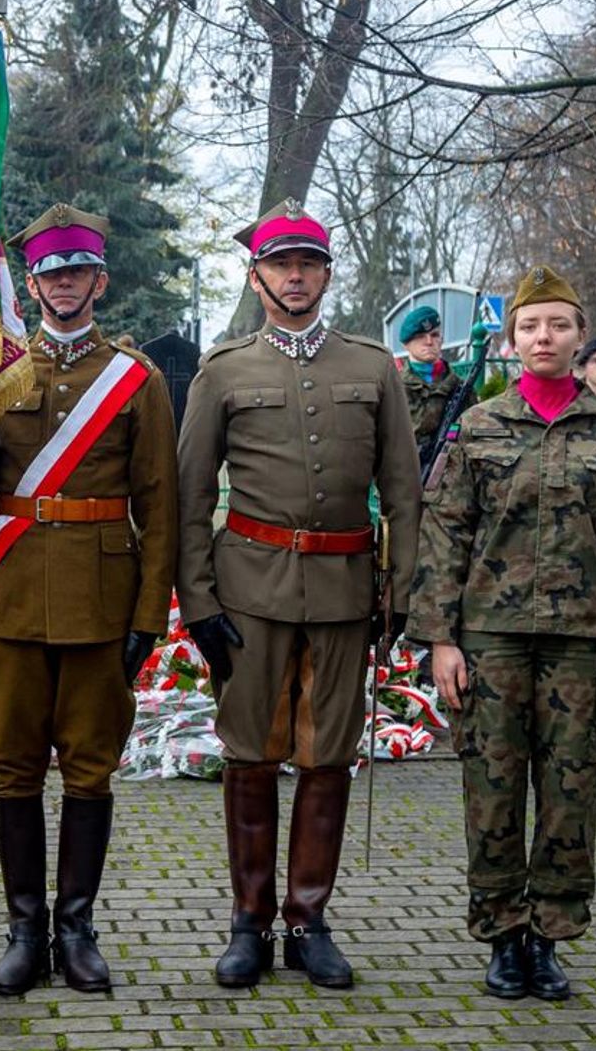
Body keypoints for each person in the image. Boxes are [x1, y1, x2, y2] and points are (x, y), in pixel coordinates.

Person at [176, 199, 420, 991]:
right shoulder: (224, 369)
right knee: (250, 756)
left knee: (328, 757)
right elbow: (188, 494)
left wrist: (403, 592)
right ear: (256, 275)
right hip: (250, 590)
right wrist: (200, 599)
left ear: (326, 274)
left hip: (348, 590)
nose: (294, 277)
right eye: (280, 264)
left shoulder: (371, 366)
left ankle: (307, 920)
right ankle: (249, 921)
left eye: (307, 264)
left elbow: (404, 490)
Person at [407, 267, 596, 1002]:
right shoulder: (480, 426)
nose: (543, 337)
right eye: (529, 326)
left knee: (569, 790)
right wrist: (441, 639)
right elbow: (445, 534)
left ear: (580, 336)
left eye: (557, 324)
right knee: (490, 791)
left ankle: (548, 936)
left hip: (582, 643)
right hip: (491, 640)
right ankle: (501, 933)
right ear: (512, 339)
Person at [0, 203, 178, 995]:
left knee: (89, 770)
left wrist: (149, 617)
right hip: (9, 598)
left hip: (100, 602)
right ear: (33, 282)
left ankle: (76, 928)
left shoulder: (136, 382)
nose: (64, 283)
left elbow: (162, 505)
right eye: (50, 272)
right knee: (12, 768)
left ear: (99, 280)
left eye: (77, 270)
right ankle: (22, 929)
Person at [397, 304, 463, 454]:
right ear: (406, 344)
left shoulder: (459, 387)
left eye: (434, 335)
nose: (429, 341)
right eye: (420, 336)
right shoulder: (394, 387)